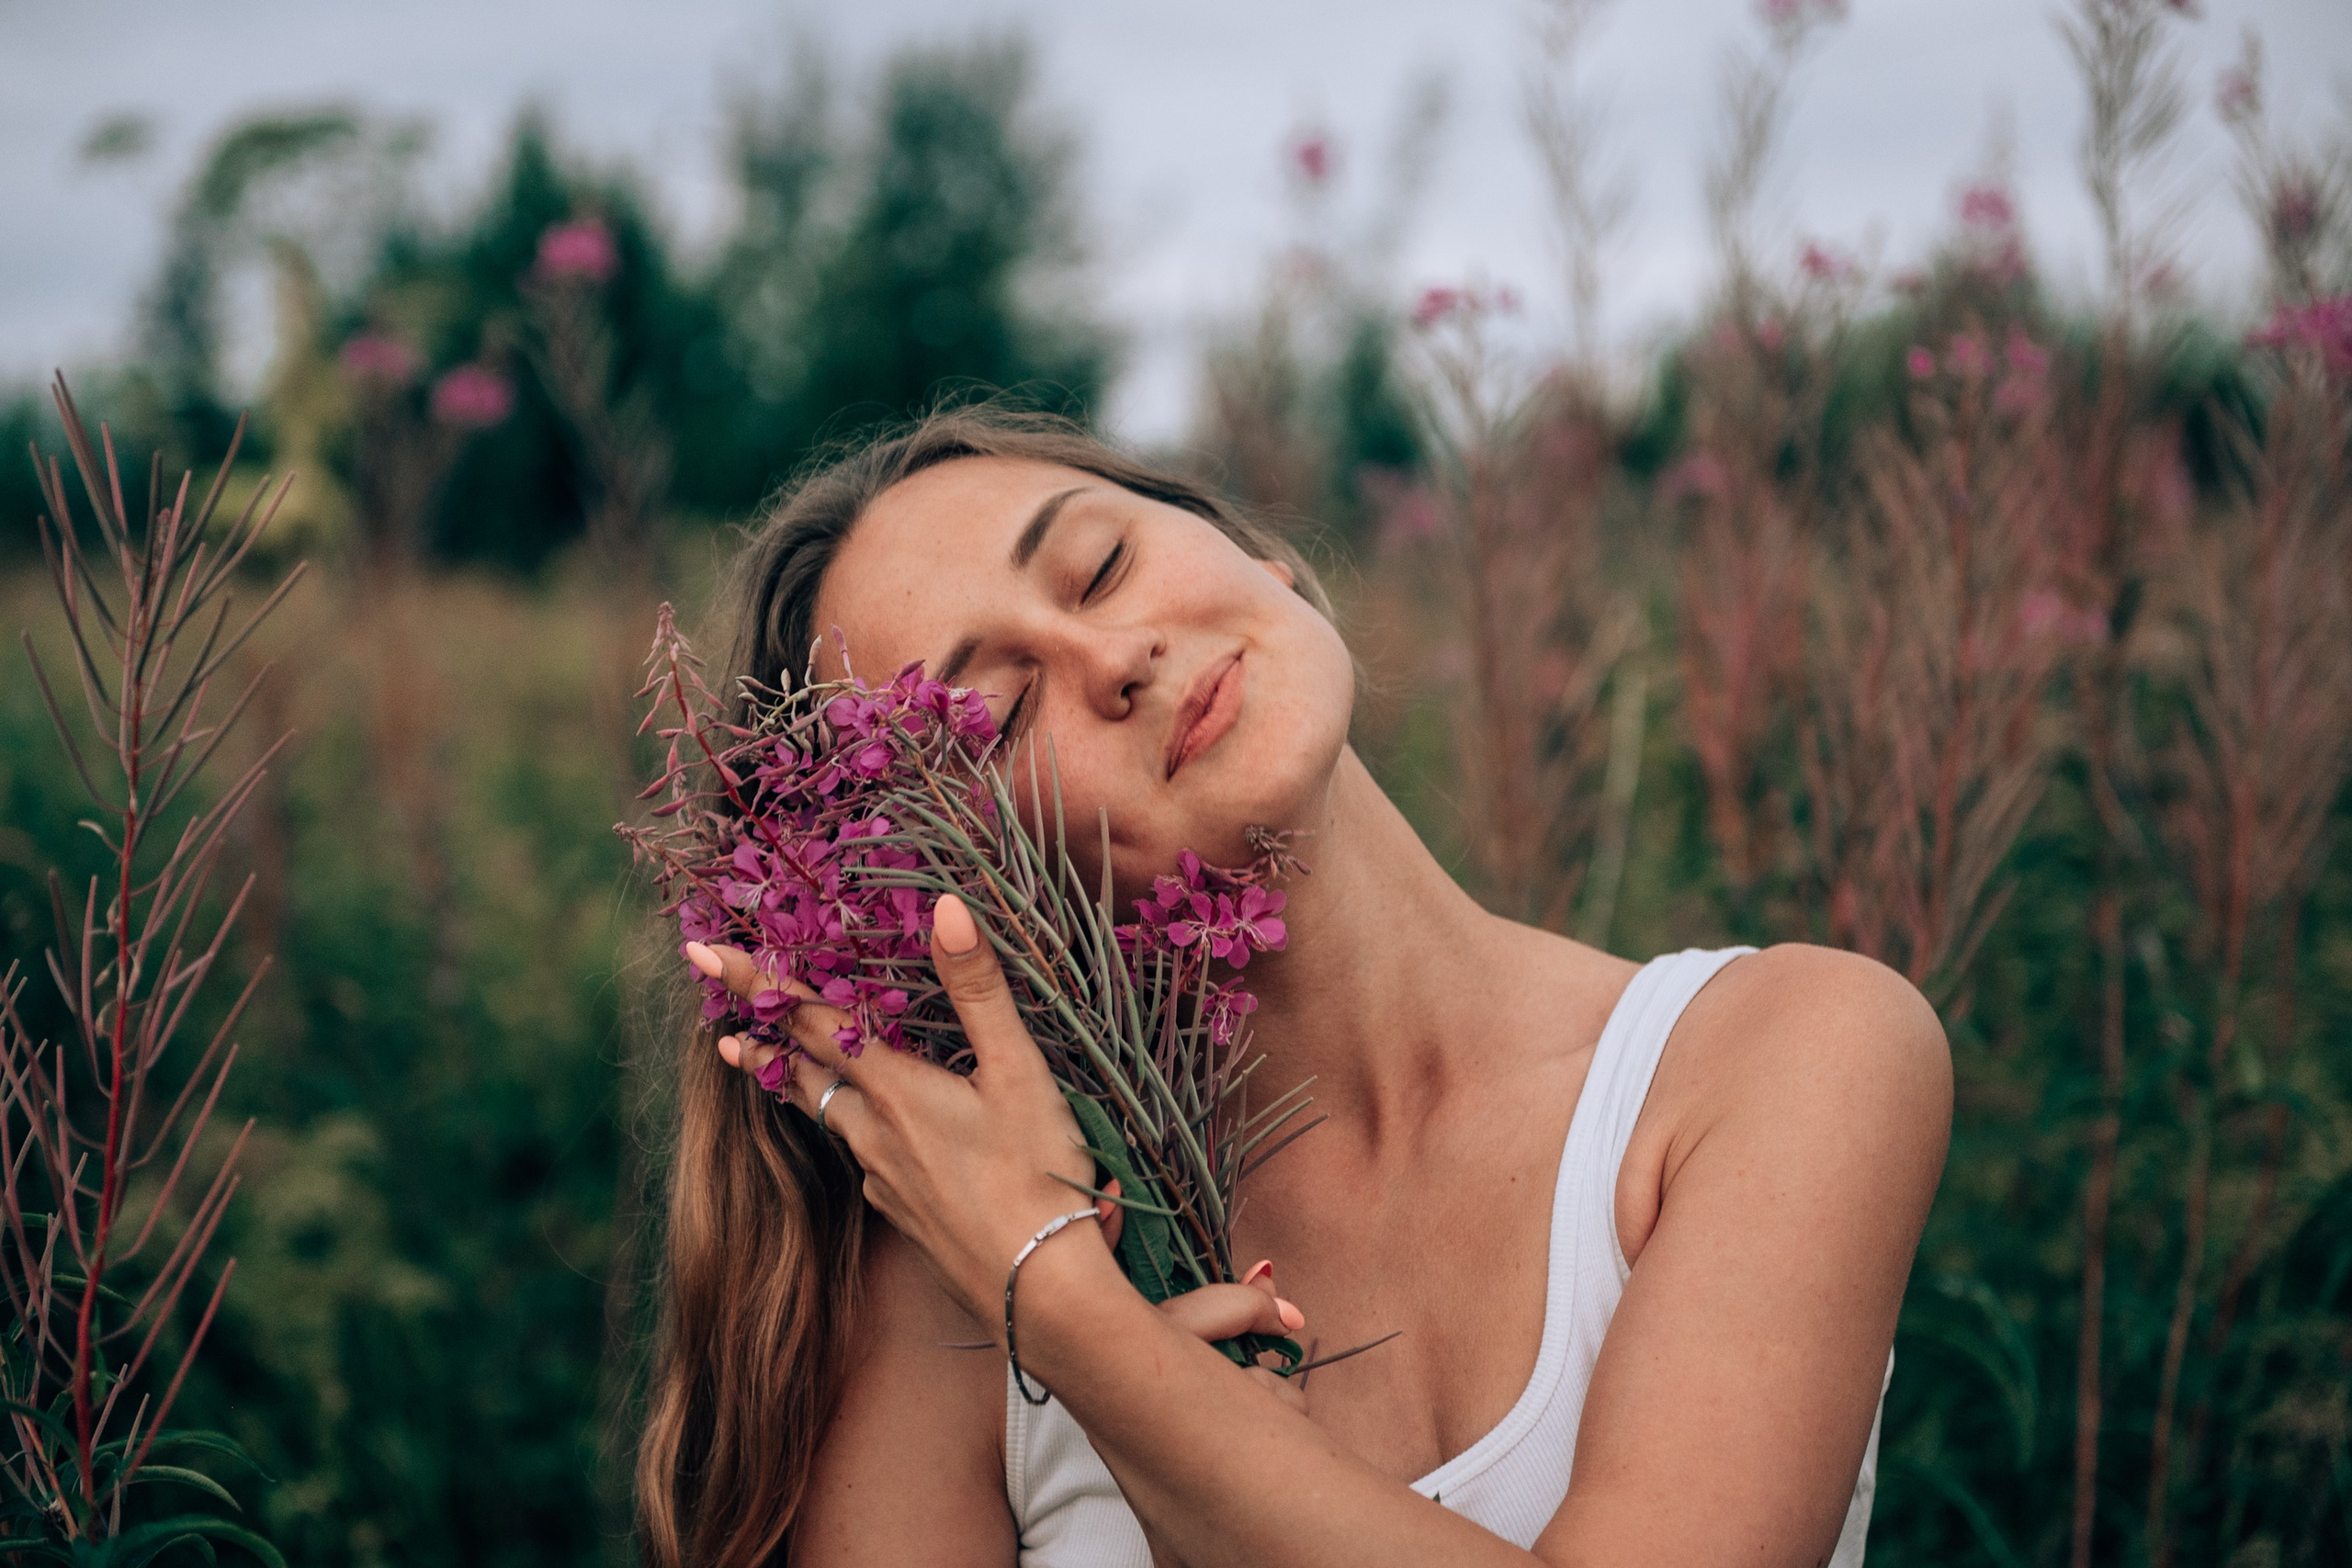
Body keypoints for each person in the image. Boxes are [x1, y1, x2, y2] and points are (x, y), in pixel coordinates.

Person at [634, 406, 1951, 1568]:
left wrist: (1087, 1329)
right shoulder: (944, 1274)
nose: (1116, 658)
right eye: (1000, 715)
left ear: (1253, 552)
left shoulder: (1784, 1056)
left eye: (1101, 564)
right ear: (937, 896)